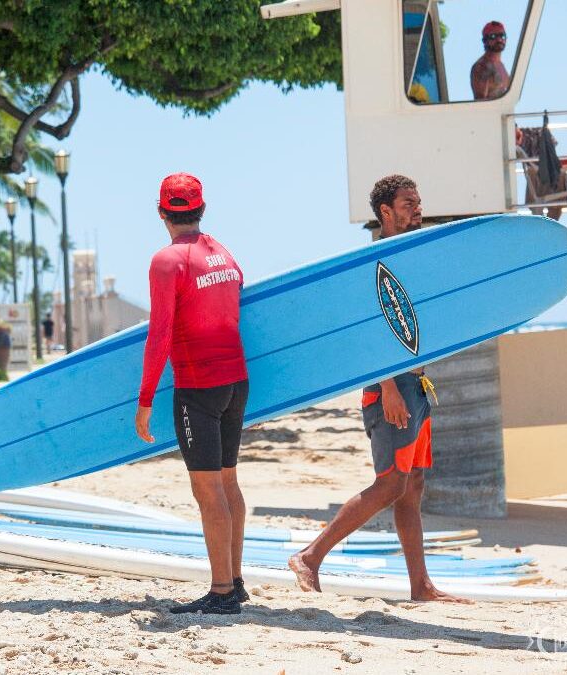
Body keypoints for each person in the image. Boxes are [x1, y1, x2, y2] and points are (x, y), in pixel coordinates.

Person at [289, 175, 467, 603]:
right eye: (408, 203)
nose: (417, 209)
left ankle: (420, 586)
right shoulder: (374, 262)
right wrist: (388, 385)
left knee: (413, 485)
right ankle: (310, 557)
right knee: (390, 484)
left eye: (418, 201)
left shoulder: (413, 256)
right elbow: (364, 331)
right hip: (392, 388)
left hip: (417, 386)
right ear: (386, 211)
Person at [135, 173, 249, 615]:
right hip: (236, 380)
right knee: (227, 480)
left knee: (207, 489)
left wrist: (145, 400)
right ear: (201, 208)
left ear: (160, 211)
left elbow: (160, 334)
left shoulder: (167, 260)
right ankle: (235, 581)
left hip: (199, 386)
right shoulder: (223, 252)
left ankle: (221, 592)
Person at [470, 21, 510, 100]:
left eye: (502, 35)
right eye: (493, 36)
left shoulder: (501, 65)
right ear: (484, 41)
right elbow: (480, 102)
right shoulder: (481, 66)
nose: (499, 40)